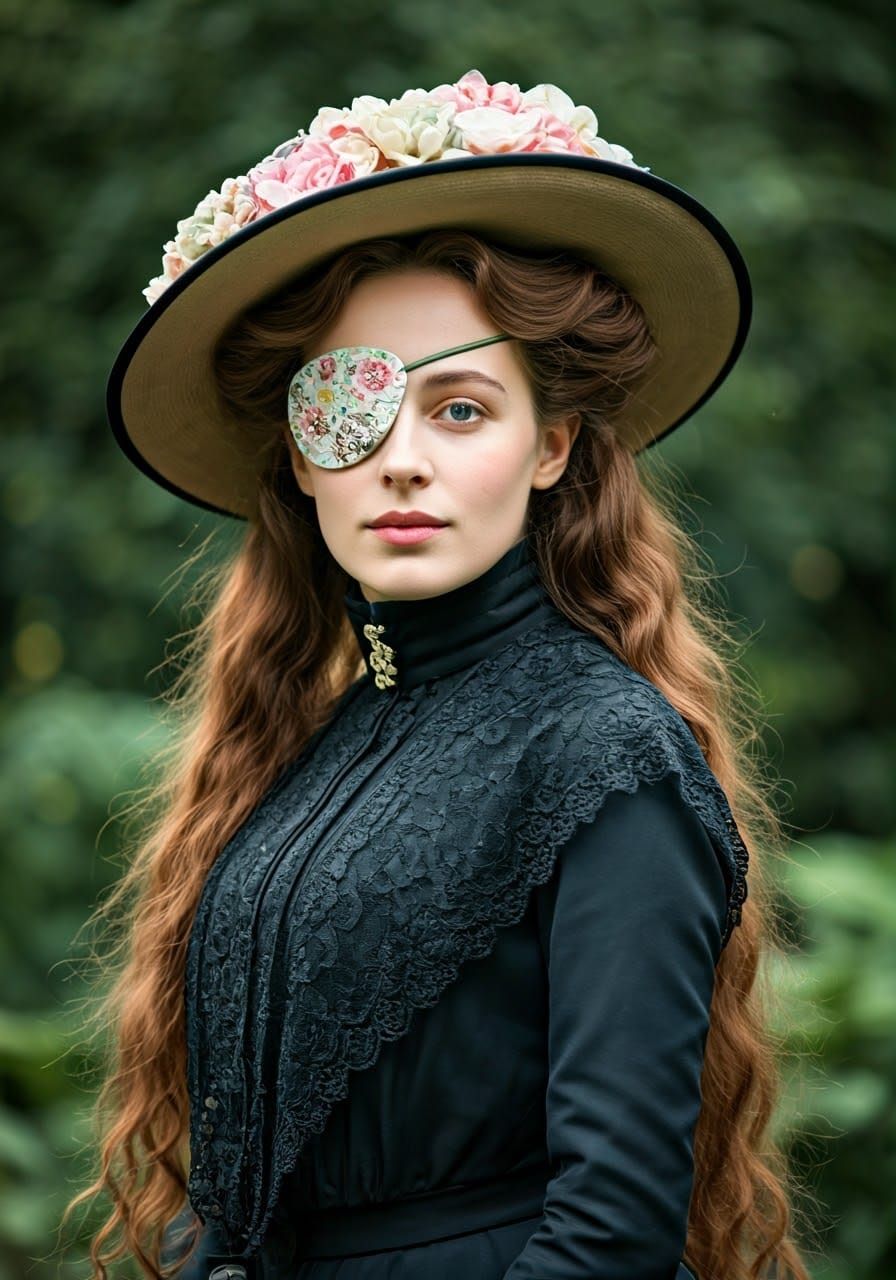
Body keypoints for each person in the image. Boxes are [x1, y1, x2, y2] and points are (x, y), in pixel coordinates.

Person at [64, 71, 814, 1280]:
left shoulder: (600, 748)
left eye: (460, 409)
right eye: (350, 410)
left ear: (551, 446)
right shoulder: (295, 754)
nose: (399, 461)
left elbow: (610, 1232)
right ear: (303, 460)